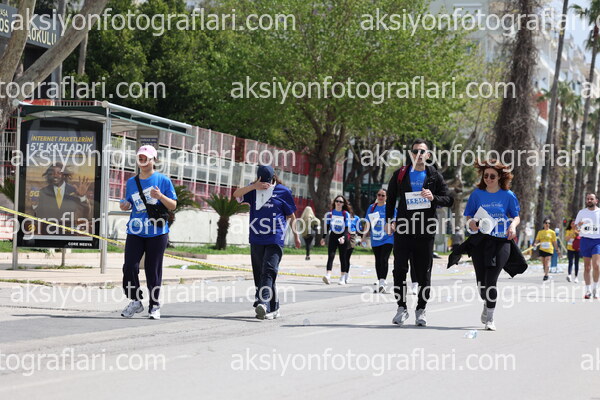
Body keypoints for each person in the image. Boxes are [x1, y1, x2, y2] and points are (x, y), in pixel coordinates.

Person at [386, 139, 453, 327]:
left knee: (424, 273)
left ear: (428, 155)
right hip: (403, 229)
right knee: (399, 269)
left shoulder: (434, 176)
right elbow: (390, 199)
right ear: (411, 154)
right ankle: (401, 307)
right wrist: (389, 221)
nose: (418, 154)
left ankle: (421, 309)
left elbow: (449, 200)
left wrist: (434, 197)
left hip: (425, 230)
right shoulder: (400, 174)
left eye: (422, 151)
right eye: (415, 151)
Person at [233, 165, 301, 320]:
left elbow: (291, 215)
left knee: (269, 270)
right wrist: (253, 186)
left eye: (267, 181)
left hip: (275, 237)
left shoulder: (283, 191)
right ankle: (274, 308)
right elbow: (236, 195)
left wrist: (296, 236)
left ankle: (263, 303)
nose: (265, 184)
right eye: (262, 180)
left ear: (273, 178)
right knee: (260, 274)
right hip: (256, 237)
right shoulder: (253, 190)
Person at [120, 145, 177, 320]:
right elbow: (128, 202)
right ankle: (136, 300)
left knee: (153, 270)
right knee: (130, 266)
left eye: (146, 158)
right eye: (140, 158)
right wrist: (125, 205)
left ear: (154, 160)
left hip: (157, 231)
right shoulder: (131, 182)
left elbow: (173, 205)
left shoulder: (163, 180)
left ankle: (154, 305)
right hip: (135, 230)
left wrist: (160, 197)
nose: (143, 161)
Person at [464, 160, 520, 331]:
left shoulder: (508, 195)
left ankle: (490, 317)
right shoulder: (477, 194)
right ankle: (486, 302)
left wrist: (512, 226)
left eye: (492, 176)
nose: (488, 179)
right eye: (486, 175)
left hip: (501, 241)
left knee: (491, 280)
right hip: (480, 241)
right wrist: (471, 223)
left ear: (500, 177)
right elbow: (469, 215)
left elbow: (516, 216)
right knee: (482, 284)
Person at [33, 163, 91, 235]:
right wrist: (34, 206)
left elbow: (86, 214)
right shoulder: (43, 191)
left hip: (69, 234)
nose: (55, 175)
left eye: (59, 173)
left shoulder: (74, 190)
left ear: (64, 175)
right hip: (48, 234)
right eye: (52, 173)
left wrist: (82, 197)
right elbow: (39, 216)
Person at [362, 188, 395, 293]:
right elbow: (367, 222)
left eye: (383, 195)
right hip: (375, 238)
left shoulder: (390, 207)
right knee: (378, 260)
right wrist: (363, 236)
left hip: (388, 238)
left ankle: (382, 283)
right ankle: (380, 280)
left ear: (386, 197)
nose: (380, 197)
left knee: (384, 259)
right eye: (379, 195)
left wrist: (392, 227)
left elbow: (394, 220)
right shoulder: (372, 207)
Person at [321, 195, 353, 285]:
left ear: (343, 204)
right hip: (333, 236)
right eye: (337, 201)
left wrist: (343, 237)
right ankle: (328, 275)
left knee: (343, 257)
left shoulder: (345, 214)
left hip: (342, 237)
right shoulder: (330, 213)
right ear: (334, 202)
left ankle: (342, 277)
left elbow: (347, 228)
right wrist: (323, 237)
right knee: (331, 256)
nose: (338, 203)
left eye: (341, 202)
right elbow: (327, 226)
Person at [575, 193, 600, 299]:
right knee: (587, 267)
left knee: (596, 265)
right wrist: (578, 225)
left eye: (591, 199)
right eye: (588, 199)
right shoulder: (582, 212)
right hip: (585, 240)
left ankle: (595, 288)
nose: (589, 200)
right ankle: (588, 290)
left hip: (597, 241)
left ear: (596, 201)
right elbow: (576, 228)